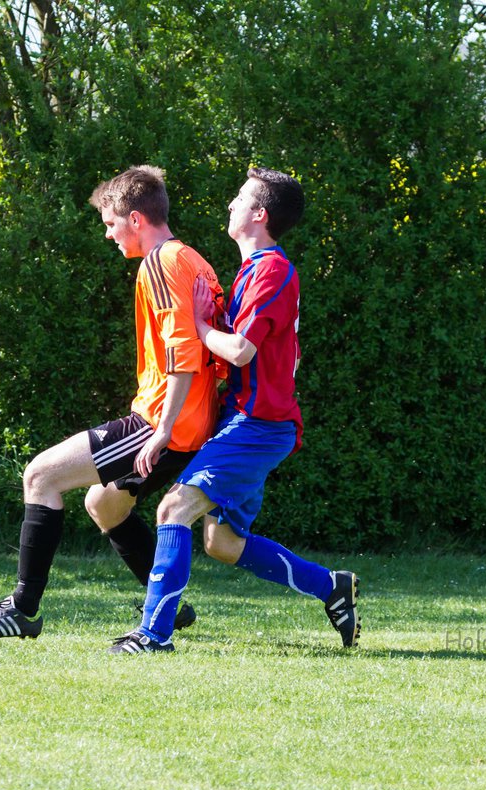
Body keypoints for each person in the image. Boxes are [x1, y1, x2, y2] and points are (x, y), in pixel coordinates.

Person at [0, 165, 223, 639]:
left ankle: (21, 610)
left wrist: (161, 428)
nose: (108, 234)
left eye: (110, 223)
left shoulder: (159, 262)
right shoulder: (193, 260)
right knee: (104, 505)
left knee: (40, 475)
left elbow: (183, 349)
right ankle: (166, 604)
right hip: (192, 423)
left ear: (136, 219)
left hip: (163, 420)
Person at [109, 167, 360, 654]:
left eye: (240, 199)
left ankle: (153, 636)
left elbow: (240, 350)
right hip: (243, 421)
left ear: (259, 215)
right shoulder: (252, 271)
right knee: (222, 544)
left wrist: (200, 325)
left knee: (172, 508)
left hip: (259, 424)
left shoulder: (272, 270)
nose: (230, 204)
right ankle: (333, 587)